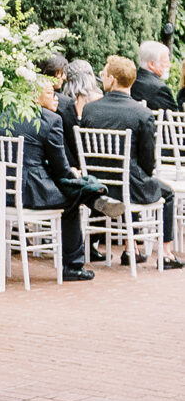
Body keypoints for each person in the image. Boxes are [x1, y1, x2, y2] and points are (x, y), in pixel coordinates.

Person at [73, 55, 185, 270]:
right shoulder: (141, 113)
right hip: (128, 185)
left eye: (104, 74)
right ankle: (166, 252)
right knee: (165, 192)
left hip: (97, 184)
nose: (102, 78)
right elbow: (147, 160)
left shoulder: (90, 109)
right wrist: (143, 174)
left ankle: (131, 247)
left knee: (129, 181)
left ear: (113, 79)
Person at [0, 63, 95, 283]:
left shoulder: (6, 114)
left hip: (4, 191)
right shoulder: (51, 120)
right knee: (73, 196)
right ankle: (73, 266)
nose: (56, 98)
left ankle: (93, 192)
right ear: (35, 96)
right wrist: (72, 175)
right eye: (50, 93)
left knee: (77, 186)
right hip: (32, 192)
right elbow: (61, 169)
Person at [133, 41, 181, 115]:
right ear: (151, 64)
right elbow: (176, 118)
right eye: (165, 62)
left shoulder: (131, 80)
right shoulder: (159, 89)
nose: (169, 65)